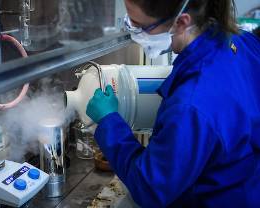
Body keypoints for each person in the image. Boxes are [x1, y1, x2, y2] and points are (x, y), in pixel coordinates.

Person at [86, 0, 260, 207]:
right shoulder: (239, 41)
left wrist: (108, 122)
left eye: (140, 25)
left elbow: (150, 188)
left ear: (181, 22)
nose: (134, 33)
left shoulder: (190, 107)